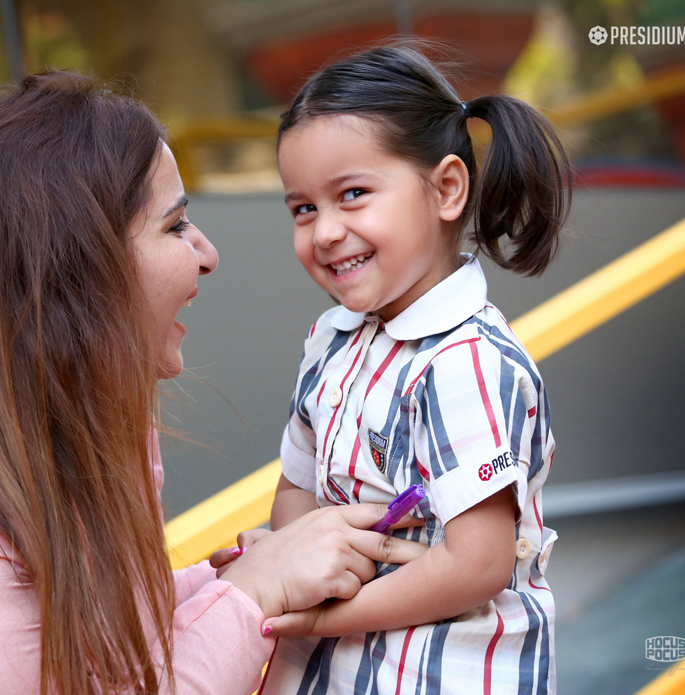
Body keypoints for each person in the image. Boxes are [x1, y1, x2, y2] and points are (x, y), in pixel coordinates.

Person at [0, 72, 429, 695]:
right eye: (176, 224)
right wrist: (255, 589)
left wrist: (224, 581)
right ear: (74, 269)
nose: (208, 254)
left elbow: (100, 651)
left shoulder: (79, 432)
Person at [235, 42, 571, 694]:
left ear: (446, 188)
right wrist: (282, 556)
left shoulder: (464, 360)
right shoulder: (330, 342)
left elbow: (477, 564)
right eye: (302, 207)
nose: (324, 230)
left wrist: (320, 612)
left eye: (352, 194)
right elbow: (297, 487)